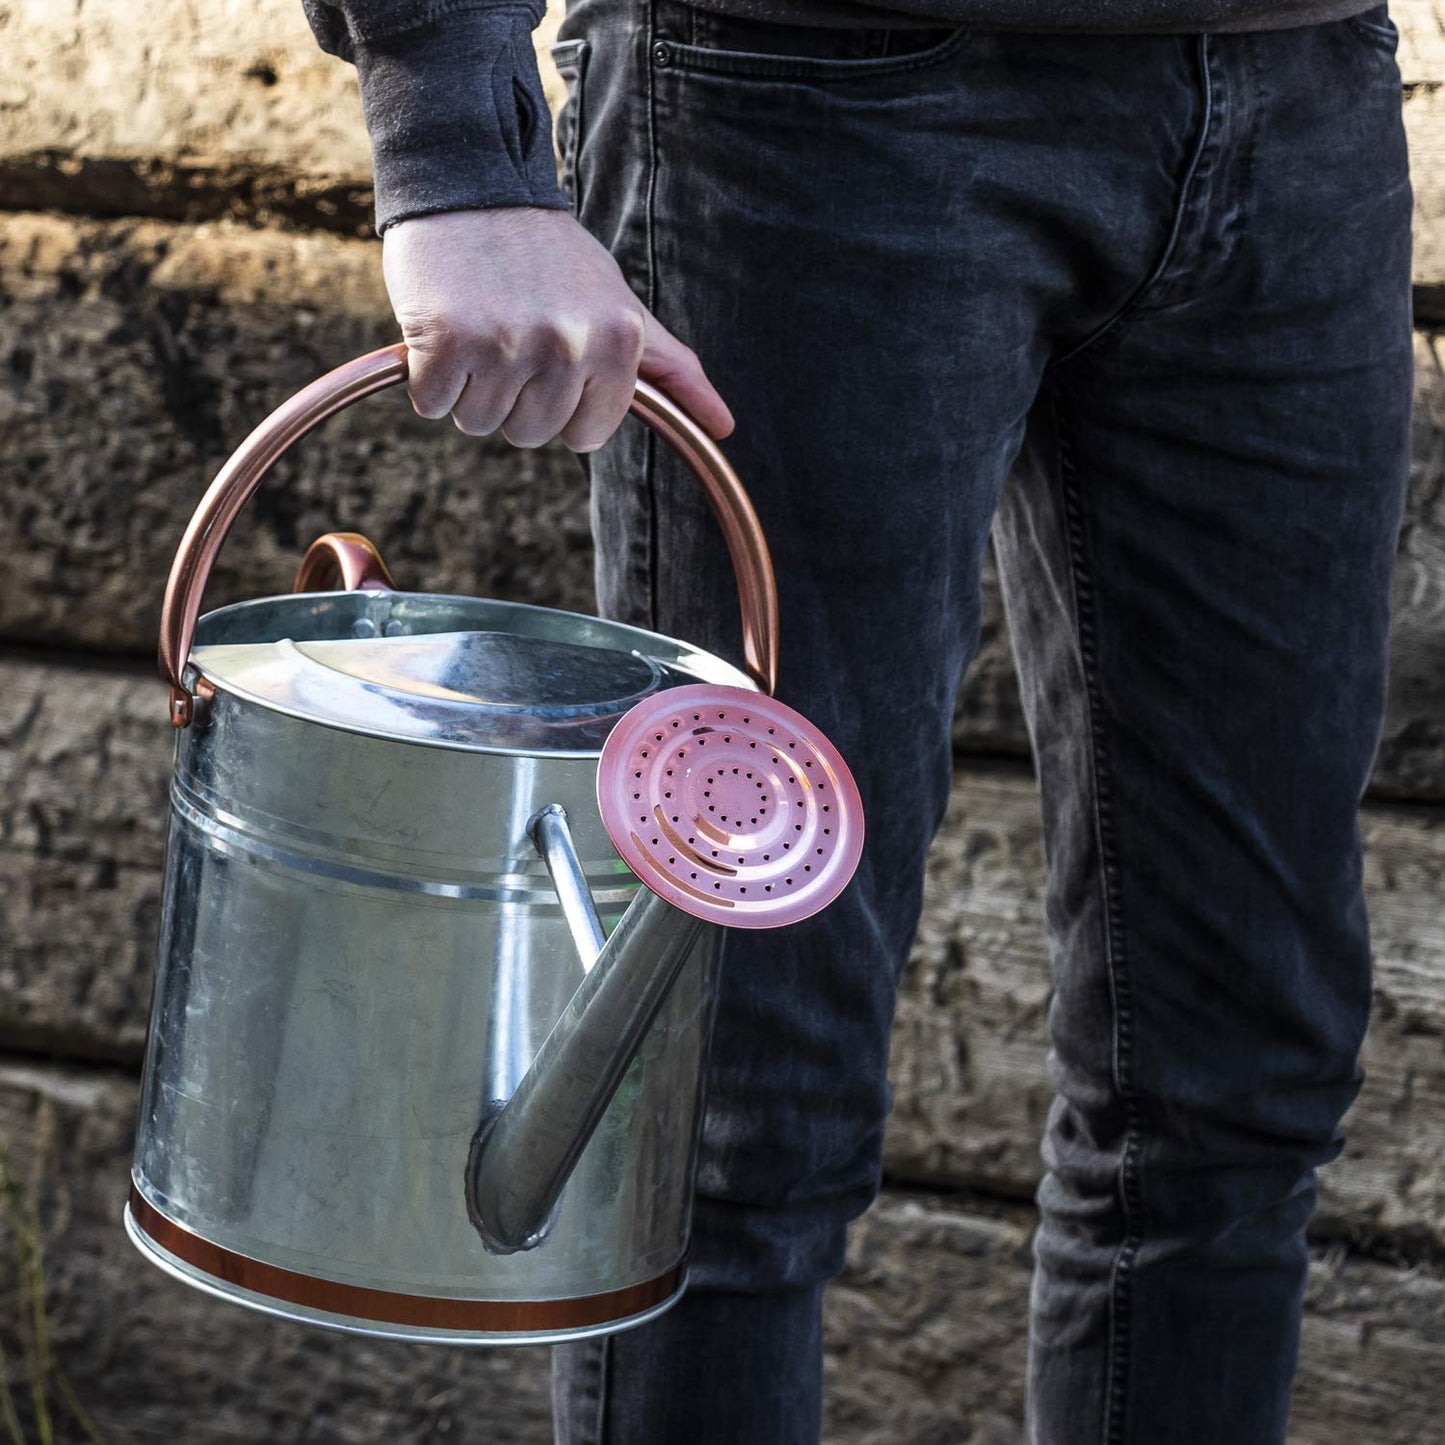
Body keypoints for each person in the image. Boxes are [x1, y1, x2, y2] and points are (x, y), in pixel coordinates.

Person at [300, 1, 1413, 1440]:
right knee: (735, 1101)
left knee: (1240, 1082)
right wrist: (453, 132)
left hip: (1302, 87)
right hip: (808, 94)